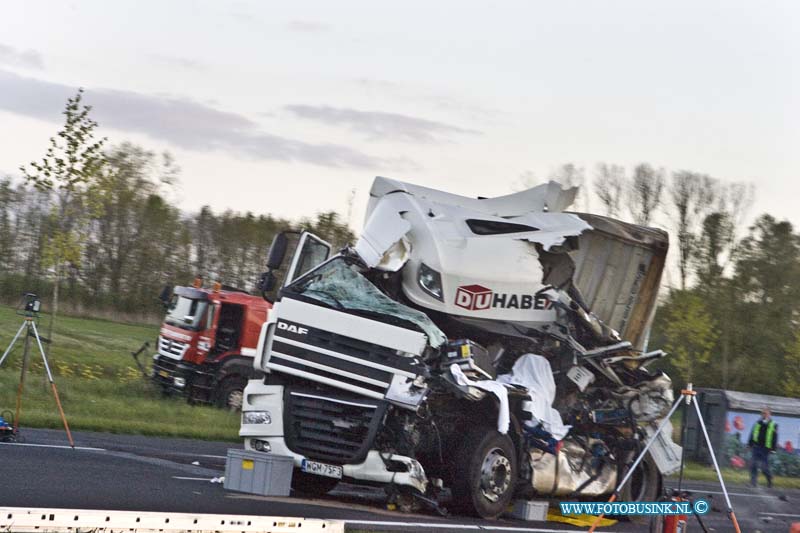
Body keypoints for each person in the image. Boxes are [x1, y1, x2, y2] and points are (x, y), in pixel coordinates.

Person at [748, 407, 778, 488]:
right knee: (753, 464)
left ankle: (769, 479)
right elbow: (752, 433)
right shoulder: (758, 423)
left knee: (764, 467)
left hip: (766, 449)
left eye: (765, 413)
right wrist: (750, 444)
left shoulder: (773, 424)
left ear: (769, 414)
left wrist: (774, 449)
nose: (764, 415)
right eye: (762, 413)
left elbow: (775, 437)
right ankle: (753, 482)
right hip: (756, 447)